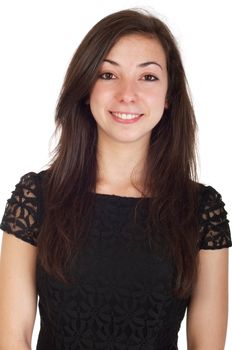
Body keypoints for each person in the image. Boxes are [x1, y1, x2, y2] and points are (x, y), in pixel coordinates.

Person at [0, 8, 231, 350]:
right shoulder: (36, 198)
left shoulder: (200, 210)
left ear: (169, 96)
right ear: (85, 88)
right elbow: (12, 336)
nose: (127, 94)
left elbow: (206, 344)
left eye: (148, 77)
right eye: (108, 75)